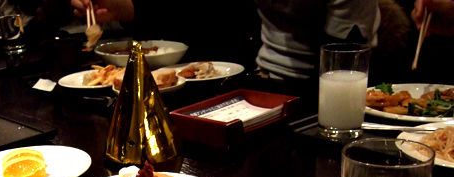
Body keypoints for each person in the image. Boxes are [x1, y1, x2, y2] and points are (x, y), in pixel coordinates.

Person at [70, 0, 379, 80]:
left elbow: (343, 62)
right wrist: (127, 8)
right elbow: (204, 12)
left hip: (324, 88)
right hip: (259, 76)